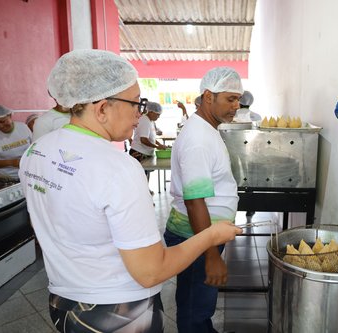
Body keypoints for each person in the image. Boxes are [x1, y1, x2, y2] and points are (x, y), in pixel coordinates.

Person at [18, 49, 242, 333]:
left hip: (63, 302)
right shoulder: (118, 168)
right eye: (135, 103)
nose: (140, 112)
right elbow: (151, 271)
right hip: (117, 312)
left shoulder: (36, 151)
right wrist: (211, 237)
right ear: (101, 108)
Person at [164, 67, 244, 333]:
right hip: (195, 237)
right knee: (194, 307)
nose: (237, 105)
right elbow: (194, 201)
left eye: (238, 99)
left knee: (198, 303)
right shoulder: (198, 139)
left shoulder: (208, 129)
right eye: (230, 99)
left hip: (203, 234)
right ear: (208, 96)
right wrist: (211, 254)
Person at [0, 104, 32, 179]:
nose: (0, 126)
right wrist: (11, 163)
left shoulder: (23, 127)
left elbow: (34, 146)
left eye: (3, 121)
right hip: (6, 177)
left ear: (10, 115)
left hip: (28, 172)